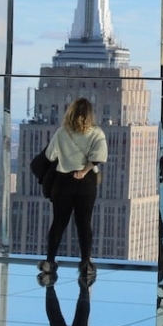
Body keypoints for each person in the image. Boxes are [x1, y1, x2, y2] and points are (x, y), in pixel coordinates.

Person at [39, 98, 107, 278]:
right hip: (87, 184)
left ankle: (49, 262)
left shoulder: (62, 132)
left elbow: (50, 155)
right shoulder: (97, 133)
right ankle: (86, 262)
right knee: (84, 223)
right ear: (90, 115)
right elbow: (99, 156)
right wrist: (84, 171)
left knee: (59, 223)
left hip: (63, 182)